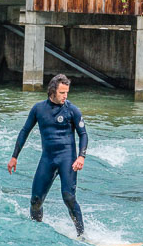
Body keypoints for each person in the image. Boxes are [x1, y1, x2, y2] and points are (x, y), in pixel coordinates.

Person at [8, 73, 88, 236]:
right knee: (35, 201)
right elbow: (25, 131)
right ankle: (35, 230)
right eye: (62, 93)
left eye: (67, 92)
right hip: (48, 159)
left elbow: (83, 134)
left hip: (68, 159)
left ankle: (82, 235)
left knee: (68, 197)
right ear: (52, 91)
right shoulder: (38, 109)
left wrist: (81, 156)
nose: (65, 96)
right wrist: (14, 156)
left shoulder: (72, 110)